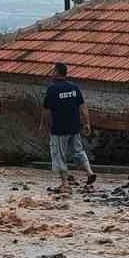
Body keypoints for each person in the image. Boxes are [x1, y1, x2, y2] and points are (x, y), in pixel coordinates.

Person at [42, 62, 96, 191]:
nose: (51, 73)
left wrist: (43, 126)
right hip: (74, 127)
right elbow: (82, 106)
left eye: (52, 71)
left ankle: (65, 183)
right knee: (78, 151)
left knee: (59, 155)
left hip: (59, 129)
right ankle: (89, 172)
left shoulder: (52, 89)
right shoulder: (74, 87)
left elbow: (46, 110)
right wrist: (87, 123)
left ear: (56, 72)